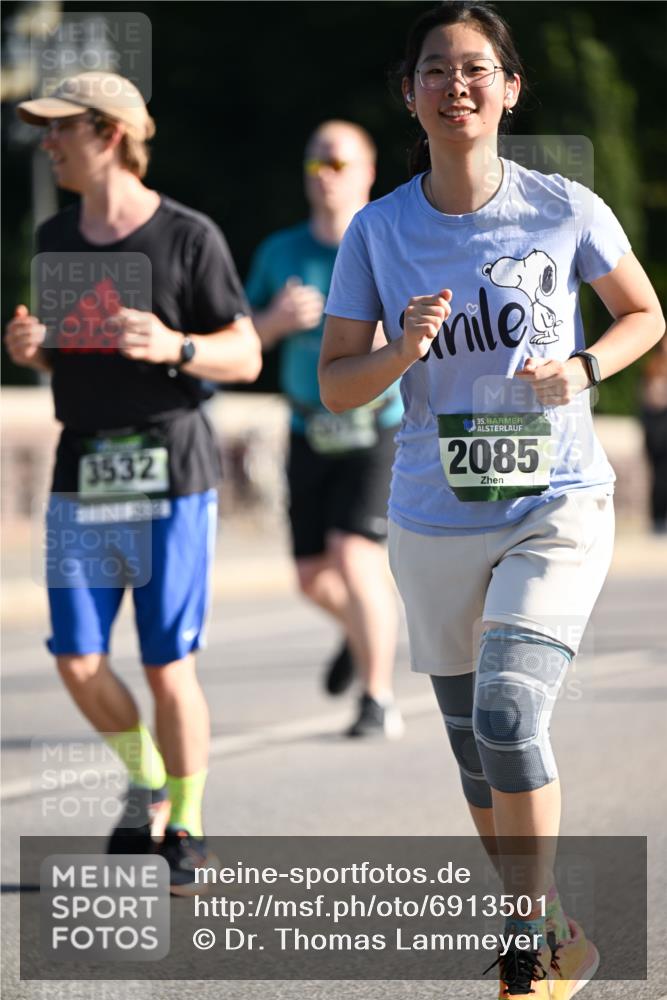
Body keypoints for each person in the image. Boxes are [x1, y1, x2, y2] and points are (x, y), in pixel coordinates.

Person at [319, 3, 664, 997]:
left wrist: (586, 365)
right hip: (432, 515)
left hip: (553, 499)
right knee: (478, 751)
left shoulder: (565, 207)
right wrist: (401, 349)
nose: (455, 84)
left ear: (509, 89)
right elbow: (338, 381)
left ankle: (528, 938)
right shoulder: (379, 231)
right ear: (410, 94)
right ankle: (554, 926)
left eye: (476, 69)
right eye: (436, 69)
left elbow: (645, 312)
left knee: (511, 712)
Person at [5, 72, 262, 894]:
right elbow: (71, 350)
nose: (47, 142)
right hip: (83, 466)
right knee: (77, 659)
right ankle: (147, 773)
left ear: (109, 134)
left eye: (60, 128)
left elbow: (246, 354)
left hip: (170, 468)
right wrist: (35, 348)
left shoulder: (188, 236)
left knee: (164, 666)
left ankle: (183, 821)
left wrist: (177, 346)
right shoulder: (55, 237)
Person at [246, 120, 404, 738]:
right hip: (307, 425)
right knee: (312, 576)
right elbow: (240, 339)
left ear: (366, 174)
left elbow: (430, 333)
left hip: (375, 423)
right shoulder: (280, 253)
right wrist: (276, 319)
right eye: (315, 163)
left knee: (354, 554)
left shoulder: (389, 245)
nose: (325, 175)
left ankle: (377, 696)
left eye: (338, 163)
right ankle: (361, 633)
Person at [640, 341, 667, 533]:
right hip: (657, 427)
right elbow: (651, 399)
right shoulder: (654, 367)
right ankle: (657, 519)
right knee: (659, 475)